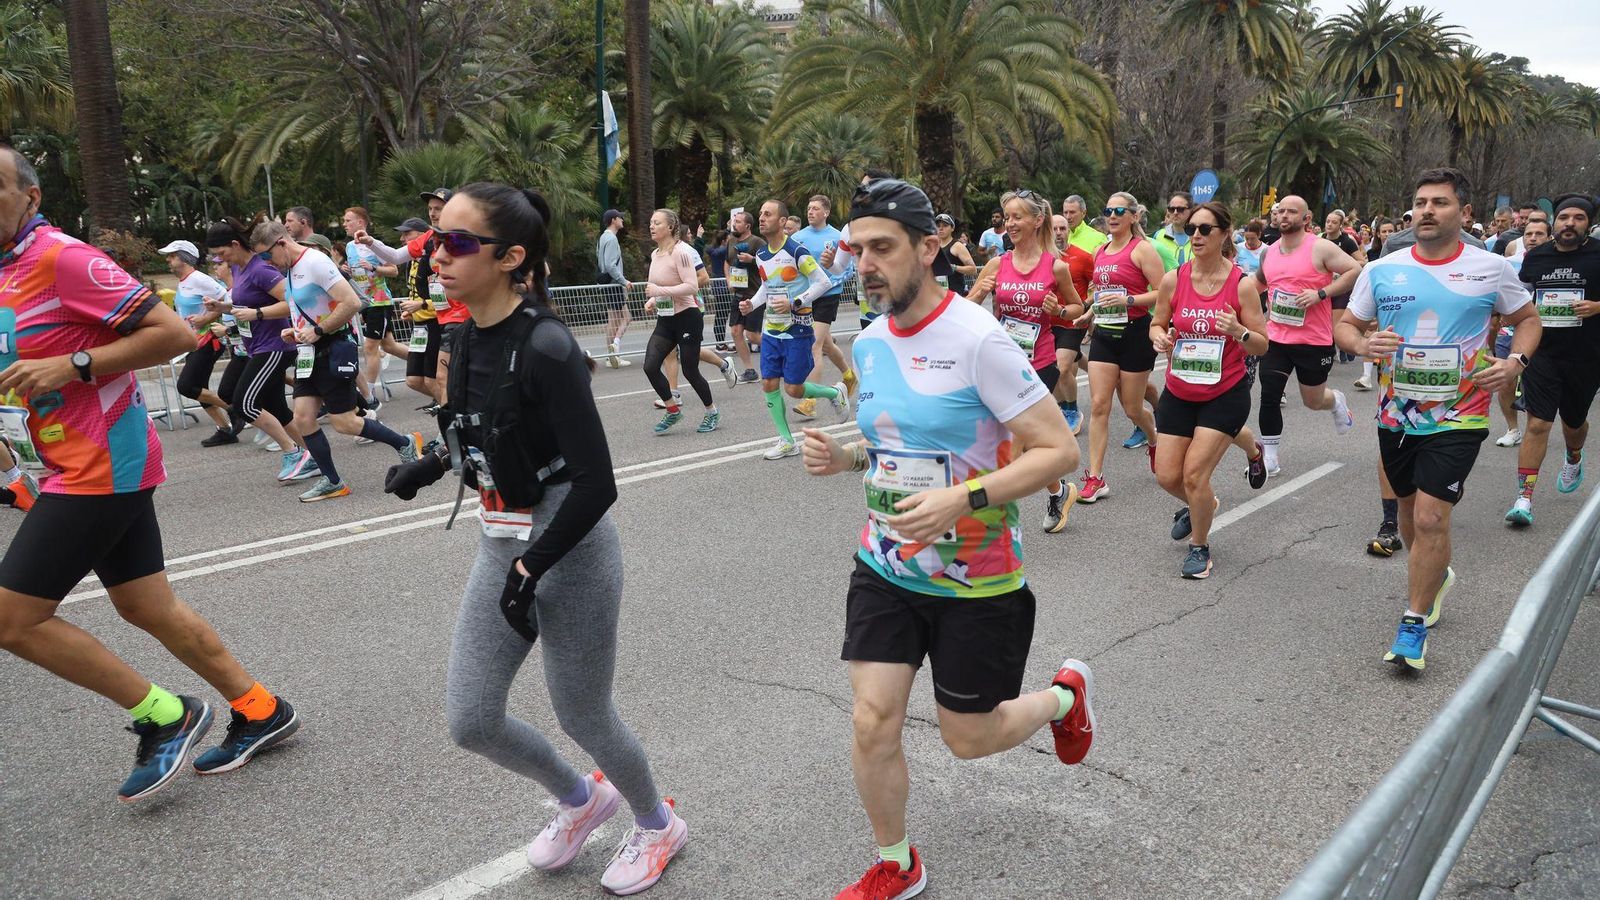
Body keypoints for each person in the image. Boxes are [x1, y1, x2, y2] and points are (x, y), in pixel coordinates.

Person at [380, 183, 686, 895]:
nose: (437, 257)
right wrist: (428, 465)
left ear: (511, 256)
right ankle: (581, 801)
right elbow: (481, 433)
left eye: (458, 243)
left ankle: (655, 823)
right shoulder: (461, 334)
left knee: (583, 710)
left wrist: (532, 569)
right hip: (502, 541)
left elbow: (595, 484)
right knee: (472, 719)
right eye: (435, 242)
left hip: (568, 550)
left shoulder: (548, 347)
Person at [799, 178, 1094, 900]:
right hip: (887, 564)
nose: (864, 264)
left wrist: (961, 499)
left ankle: (1063, 698)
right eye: (855, 248)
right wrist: (846, 457)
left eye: (882, 248)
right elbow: (895, 447)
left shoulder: (977, 339)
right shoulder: (867, 346)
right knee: (873, 720)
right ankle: (897, 863)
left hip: (977, 580)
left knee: (968, 739)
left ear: (928, 249)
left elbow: (1059, 453)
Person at [0, 143, 300, 801]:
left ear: (30, 197)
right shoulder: (5, 270)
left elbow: (174, 334)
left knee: (12, 618)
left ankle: (164, 714)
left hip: (101, 464)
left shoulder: (63, 258)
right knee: (145, 604)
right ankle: (258, 708)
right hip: (63, 463)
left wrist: (74, 366)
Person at [1336, 167, 1538, 670]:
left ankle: (1412, 623)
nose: (1427, 210)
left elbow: (1527, 321)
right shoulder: (1383, 268)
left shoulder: (1491, 268)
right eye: (1421, 201)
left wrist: (1515, 363)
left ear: (1464, 212)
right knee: (1407, 515)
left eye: (1440, 202)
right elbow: (1346, 325)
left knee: (1430, 516)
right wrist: (1362, 343)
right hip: (1396, 414)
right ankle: (1436, 574)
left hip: (1460, 414)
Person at [251, 220, 421, 501]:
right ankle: (333, 481)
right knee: (303, 419)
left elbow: (352, 302)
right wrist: (295, 331)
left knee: (344, 423)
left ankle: (404, 443)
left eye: (266, 256)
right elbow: (309, 309)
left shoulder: (315, 262)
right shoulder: (292, 270)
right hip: (309, 353)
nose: (268, 263)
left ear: (281, 243)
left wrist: (317, 330)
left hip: (332, 348)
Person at [1149, 202, 1270, 579]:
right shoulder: (1174, 279)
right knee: (1167, 476)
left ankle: (1199, 546)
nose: (1196, 236)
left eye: (1205, 229)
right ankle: (1206, 504)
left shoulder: (1242, 284)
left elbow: (1261, 344)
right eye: (1191, 229)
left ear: (1223, 233)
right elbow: (1156, 323)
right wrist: (1160, 338)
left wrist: (1239, 332)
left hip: (1225, 392)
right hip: (1180, 389)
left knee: (1193, 476)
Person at [965, 190, 1085, 532]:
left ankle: (990, 521)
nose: (1011, 223)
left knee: (1012, 445)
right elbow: (961, 311)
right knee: (1027, 440)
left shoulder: (1056, 266)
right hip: (1001, 363)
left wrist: (1059, 310)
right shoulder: (997, 263)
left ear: (1037, 220)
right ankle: (1059, 491)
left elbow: (1078, 309)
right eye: (1007, 218)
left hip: (1039, 364)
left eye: (1018, 217)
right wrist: (978, 293)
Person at [1503, 195, 1600, 527]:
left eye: (1577, 218)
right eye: (1563, 218)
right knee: (1539, 423)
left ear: (1588, 223)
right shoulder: (1536, 258)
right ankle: (1524, 498)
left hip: (1587, 355)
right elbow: (1520, 295)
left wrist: (1598, 307)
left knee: (1574, 424)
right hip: (1543, 353)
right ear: (1553, 222)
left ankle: (1574, 454)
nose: (1569, 223)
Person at [1252, 194, 1362, 477]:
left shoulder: (1321, 248)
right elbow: (1259, 283)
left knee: (1312, 401)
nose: (1284, 216)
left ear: (1306, 218)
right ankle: (1270, 458)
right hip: (1276, 336)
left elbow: (1355, 269)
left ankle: (1336, 400)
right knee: (1269, 394)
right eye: (1281, 211)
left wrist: (1321, 293)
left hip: (1313, 339)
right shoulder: (1270, 251)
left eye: (1292, 212)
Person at [739, 199, 851, 460]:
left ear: (781, 222)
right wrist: (752, 304)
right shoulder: (762, 255)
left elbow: (823, 281)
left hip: (797, 330)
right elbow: (767, 287)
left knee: (794, 389)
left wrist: (795, 302)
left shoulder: (796, 251)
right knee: (768, 382)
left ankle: (835, 392)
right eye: (761, 214)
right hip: (772, 330)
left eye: (768, 214)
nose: (762, 218)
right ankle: (787, 441)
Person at [1075, 192, 1164, 502]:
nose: (1111, 216)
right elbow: (1102, 292)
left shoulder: (1142, 250)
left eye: (1119, 211)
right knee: (1100, 404)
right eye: (1108, 210)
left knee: (1131, 407)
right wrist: (1088, 314)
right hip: (1104, 334)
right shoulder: (1100, 250)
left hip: (1135, 334)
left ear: (1133, 216)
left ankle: (1153, 439)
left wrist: (1129, 300)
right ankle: (1096, 477)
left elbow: (1164, 291)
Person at [203, 218, 308, 478]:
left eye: (222, 253)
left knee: (244, 404)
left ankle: (292, 452)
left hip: (274, 346)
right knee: (278, 408)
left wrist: (258, 314)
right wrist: (224, 308)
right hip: (257, 346)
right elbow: (246, 305)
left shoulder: (260, 269)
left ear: (235, 244)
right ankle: (313, 456)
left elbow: (292, 301)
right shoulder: (238, 268)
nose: (220, 260)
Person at [640, 208, 720, 435]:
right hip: (666, 319)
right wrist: (654, 299)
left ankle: (712, 411)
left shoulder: (682, 252)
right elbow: (659, 286)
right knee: (650, 366)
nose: (651, 226)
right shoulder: (656, 254)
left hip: (687, 317)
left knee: (690, 370)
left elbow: (692, 286)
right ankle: (672, 409)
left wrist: (658, 290)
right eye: (651, 222)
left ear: (670, 227)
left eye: (657, 222)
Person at [160, 239, 241, 444]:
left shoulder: (199, 279)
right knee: (199, 387)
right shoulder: (184, 282)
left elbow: (229, 299)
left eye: (172, 256)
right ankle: (224, 429)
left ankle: (235, 410)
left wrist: (206, 318)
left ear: (185, 258)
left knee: (187, 386)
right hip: (194, 342)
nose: (168, 260)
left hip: (209, 340)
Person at [792, 195, 858, 421]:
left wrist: (834, 279)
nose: (810, 212)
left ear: (826, 212)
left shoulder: (838, 236)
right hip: (807, 296)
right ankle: (849, 376)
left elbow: (846, 268)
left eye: (815, 209)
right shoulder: (798, 237)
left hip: (828, 294)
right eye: (808, 208)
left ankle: (809, 402)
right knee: (827, 344)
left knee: (815, 345)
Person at [342, 207, 408, 413]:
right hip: (365, 303)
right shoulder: (349, 247)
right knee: (389, 346)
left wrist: (373, 268)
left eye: (348, 220)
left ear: (361, 223)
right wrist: (346, 270)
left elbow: (394, 269)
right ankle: (425, 363)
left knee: (370, 348)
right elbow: (356, 271)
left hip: (380, 302)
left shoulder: (373, 245)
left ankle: (368, 395)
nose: (344, 224)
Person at [1491, 217, 1546, 447]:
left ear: (1549, 237)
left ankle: (1537, 425)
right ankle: (1513, 428)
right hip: (1508, 331)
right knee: (1506, 379)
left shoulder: (1558, 264)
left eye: (1539, 234)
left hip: (1543, 333)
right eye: (1529, 234)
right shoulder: (1509, 263)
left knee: (1537, 383)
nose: (1533, 238)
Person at [1051, 213, 1094, 434]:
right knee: (1061, 363)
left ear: (1069, 231)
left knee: (1063, 366)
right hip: (1047, 323)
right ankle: (1060, 407)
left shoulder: (1083, 257)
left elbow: (1099, 283)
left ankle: (1071, 410)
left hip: (1073, 321)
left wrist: (1086, 305)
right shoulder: (1041, 258)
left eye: (1063, 229)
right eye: (1054, 229)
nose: (1059, 233)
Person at [724, 210, 761, 383]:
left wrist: (752, 259)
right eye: (734, 221)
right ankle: (750, 370)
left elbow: (768, 263)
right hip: (738, 293)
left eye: (738, 222)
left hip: (754, 294)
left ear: (747, 226)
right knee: (736, 331)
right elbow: (727, 262)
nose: (734, 224)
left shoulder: (757, 242)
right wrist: (729, 279)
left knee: (752, 335)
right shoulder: (731, 241)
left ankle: (783, 350)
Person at [596, 208, 633, 368]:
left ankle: (611, 355)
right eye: (620, 218)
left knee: (613, 320)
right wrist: (623, 281)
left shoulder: (603, 237)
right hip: (614, 285)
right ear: (613, 220)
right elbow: (611, 265)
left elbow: (602, 263)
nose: (622, 220)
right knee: (626, 318)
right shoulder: (611, 239)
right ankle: (614, 348)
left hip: (607, 284)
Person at [931, 213, 977, 296]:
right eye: (938, 226)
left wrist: (954, 267)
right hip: (937, 294)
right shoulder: (933, 246)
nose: (941, 228)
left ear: (952, 228)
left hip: (955, 294)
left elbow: (973, 270)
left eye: (945, 225)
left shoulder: (957, 246)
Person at [1150, 192, 1193, 270]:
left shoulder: (1199, 235)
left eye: (1180, 209)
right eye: (1171, 209)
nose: (1175, 213)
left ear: (1191, 210)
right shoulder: (1158, 236)